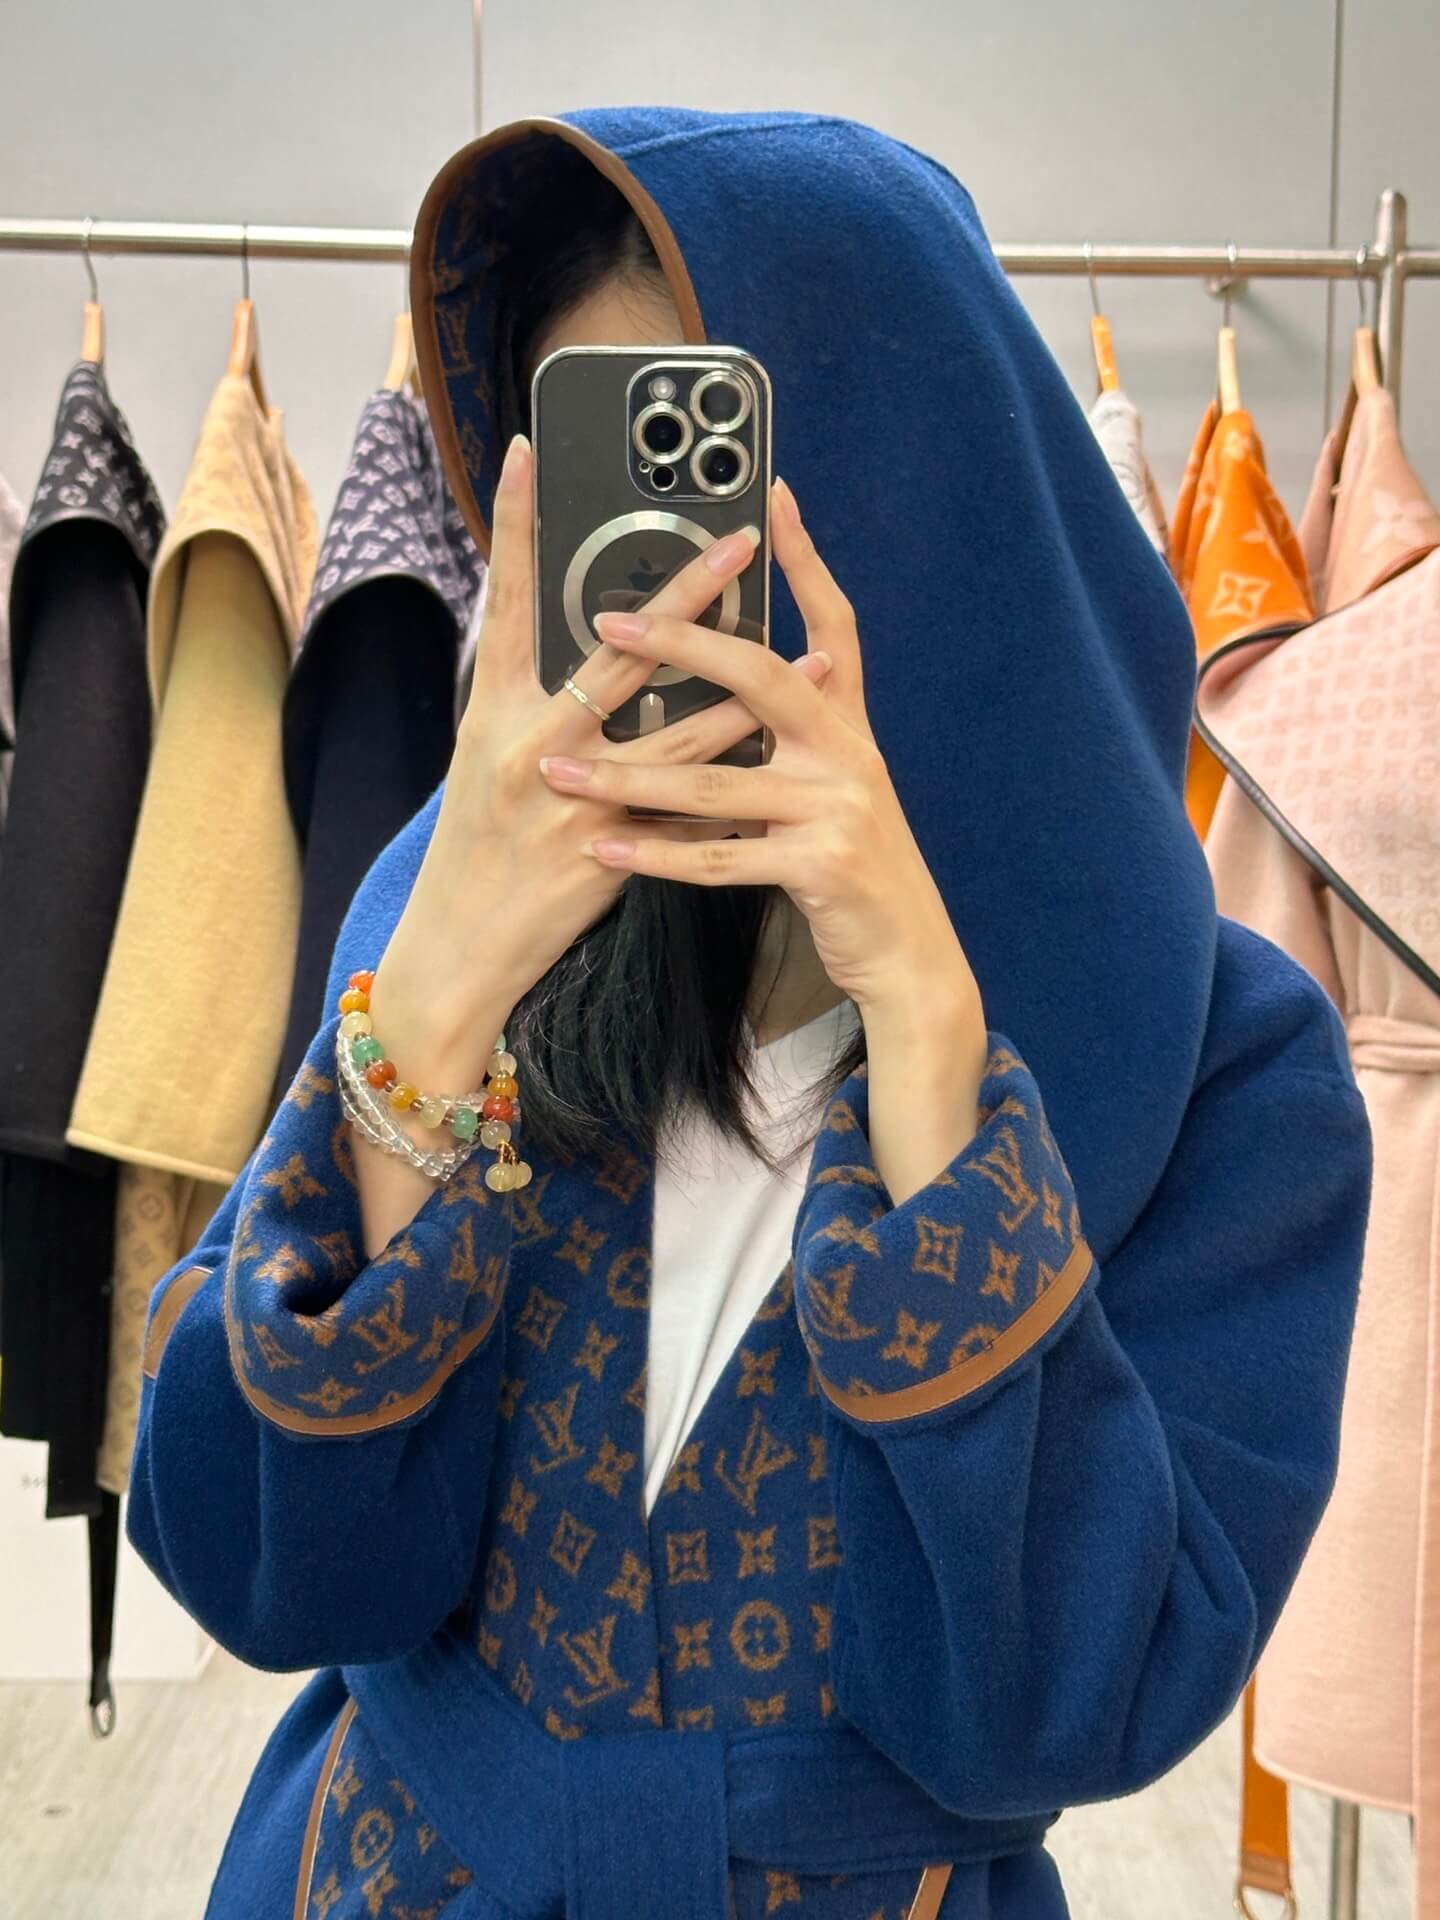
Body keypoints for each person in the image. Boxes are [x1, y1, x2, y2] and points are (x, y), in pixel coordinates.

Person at [126, 109, 1373, 1920]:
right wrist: (436, 1008)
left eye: (708, 476)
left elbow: (1076, 1708)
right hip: (389, 1869)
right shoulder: (459, 905)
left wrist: (930, 1047)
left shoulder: (1216, 1060)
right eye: (598, 484)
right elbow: (260, 1565)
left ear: (909, 493)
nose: (655, 578)